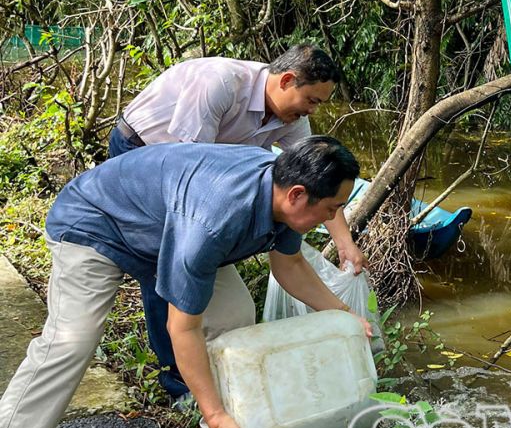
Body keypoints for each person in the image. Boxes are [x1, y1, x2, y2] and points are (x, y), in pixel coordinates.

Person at [0, 136, 371, 428]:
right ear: (297, 195)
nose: (333, 218)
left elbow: (289, 265)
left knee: (235, 313)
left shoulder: (280, 199)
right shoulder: (214, 221)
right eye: (332, 208)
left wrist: (344, 315)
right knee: (68, 347)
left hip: (166, 231)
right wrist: (212, 412)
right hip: (96, 227)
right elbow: (183, 328)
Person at [109, 44, 368, 397]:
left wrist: (343, 242)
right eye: (312, 100)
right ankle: (179, 381)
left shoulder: (293, 118)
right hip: (146, 152)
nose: (312, 110)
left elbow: (320, 182)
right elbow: (191, 171)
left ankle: (209, 366)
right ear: (287, 80)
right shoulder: (219, 85)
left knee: (205, 272)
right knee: (164, 267)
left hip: (208, 172)